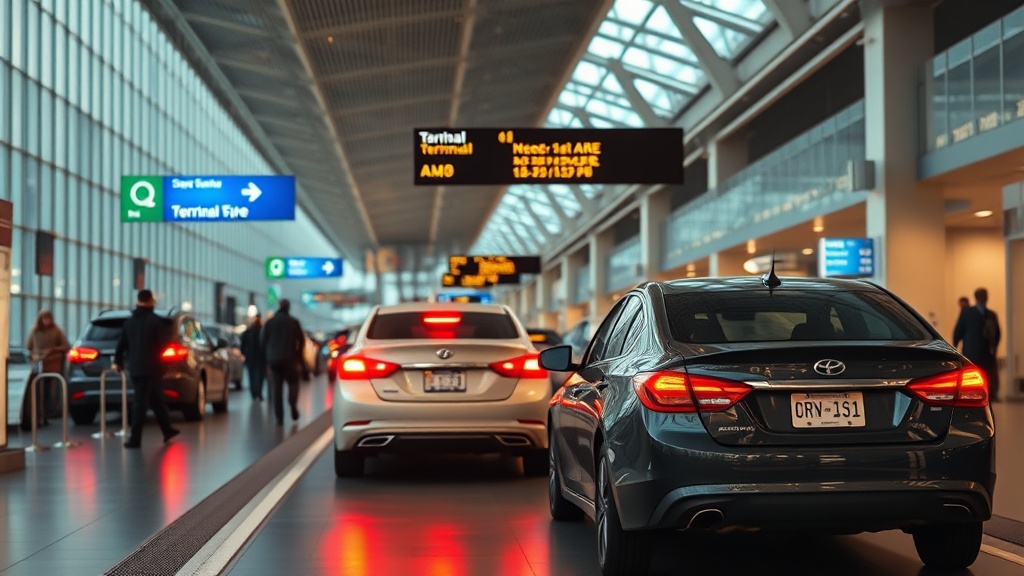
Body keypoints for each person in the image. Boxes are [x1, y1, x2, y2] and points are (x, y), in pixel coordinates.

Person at [113, 289, 180, 448]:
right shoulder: (156, 321)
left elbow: (121, 345)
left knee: (155, 400)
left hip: (136, 368)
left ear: (138, 300)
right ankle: (135, 439)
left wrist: (118, 361)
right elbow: (164, 345)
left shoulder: (129, 323)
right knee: (141, 405)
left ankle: (167, 430)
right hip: (153, 368)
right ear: (151, 301)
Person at [261, 299, 305, 425]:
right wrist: (298, 355)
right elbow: (301, 341)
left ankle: (279, 417)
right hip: (291, 359)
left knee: (277, 388)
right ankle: (292, 404)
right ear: (288, 308)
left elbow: (263, 341)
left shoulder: (270, 323)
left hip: (274, 360)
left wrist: (267, 358)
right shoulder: (294, 322)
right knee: (293, 383)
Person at [23, 310, 70, 429]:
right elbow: (29, 347)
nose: (46, 321)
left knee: (50, 393)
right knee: (38, 393)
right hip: (39, 366)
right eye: (44, 318)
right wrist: (34, 356)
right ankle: (40, 416)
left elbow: (66, 345)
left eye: (48, 318)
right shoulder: (35, 332)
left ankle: (48, 414)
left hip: (53, 366)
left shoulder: (56, 331)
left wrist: (53, 350)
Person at [953, 287, 1001, 401]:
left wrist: (955, 345)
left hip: (973, 351)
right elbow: (997, 334)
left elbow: (958, 331)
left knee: (976, 374)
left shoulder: (968, 313)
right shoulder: (990, 314)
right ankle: (985, 394)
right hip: (982, 352)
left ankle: (979, 394)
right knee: (983, 374)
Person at [240, 313, 266, 401]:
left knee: (256, 376)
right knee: (257, 376)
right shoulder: (260, 331)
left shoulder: (251, 331)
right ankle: (256, 393)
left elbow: (243, 344)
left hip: (255, 357)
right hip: (256, 357)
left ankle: (256, 393)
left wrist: (244, 353)